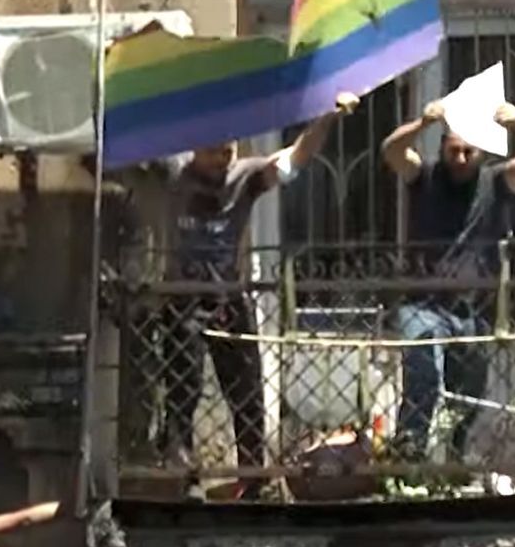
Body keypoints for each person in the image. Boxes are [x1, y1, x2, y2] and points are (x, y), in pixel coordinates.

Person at [124, 91, 360, 500]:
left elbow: (295, 159)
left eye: (228, 150)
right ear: (194, 146)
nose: (222, 159)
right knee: (183, 386)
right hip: (184, 297)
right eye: (213, 151)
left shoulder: (245, 176)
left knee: (247, 390)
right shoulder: (171, 173)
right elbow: (124, 150)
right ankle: (182, 469)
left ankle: (253, 476)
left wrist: (327, 117)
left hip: (230, 296)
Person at [381, 99, 515, 462]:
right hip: (423, 305)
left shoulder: (496, 183)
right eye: (453, 150)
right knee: (423, 376)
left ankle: (455, 461)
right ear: (442, 148)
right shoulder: (424, 178)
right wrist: (422, 123)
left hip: (472, 310)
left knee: (469, 392)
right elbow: (391, 151)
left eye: (467, 152)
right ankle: (408, 458)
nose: (459, 159)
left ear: (481, 153)